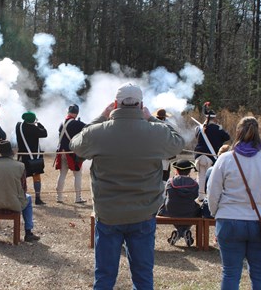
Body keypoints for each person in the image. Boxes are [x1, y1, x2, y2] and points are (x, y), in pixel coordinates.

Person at [70, 82, 185, 289]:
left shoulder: (99, 131)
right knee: (142, 277)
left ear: (115, 104)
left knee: (104, 277)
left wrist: (102, 116)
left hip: (108, 214)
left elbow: (76, 143)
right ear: (141, 105)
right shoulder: (155, 131)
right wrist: (150, 118)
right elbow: (178, 142)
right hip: (143, 213)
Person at [207, 116, 261, 290]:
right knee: (260, 273)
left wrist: (216, 213)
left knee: (230, 273)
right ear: (258, 132)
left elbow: (212, 191)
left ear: (237, 132)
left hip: (229, 219)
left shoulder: (225, 159)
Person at [0, 140, 40, 242]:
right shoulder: (20, 166)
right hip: (14, 203)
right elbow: (23, 188)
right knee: (29, 198)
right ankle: (28, 232)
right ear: (10, 153)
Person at [159, 160, 200, 247]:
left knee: (171, 206)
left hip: (171, 211)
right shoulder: (194, 184)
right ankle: (184, 231)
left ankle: (180, 232)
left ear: (176, 170)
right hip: (189, 211)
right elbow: (195, 196)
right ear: (189, 171)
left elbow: (167, 194)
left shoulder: (170, 182)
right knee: (196, 210)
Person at [194, 103, 230, 201]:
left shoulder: (199, 128)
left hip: (199, 156)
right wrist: (221, 130)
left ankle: (201, 196)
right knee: (211, 177)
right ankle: (209, 196)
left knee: (201, 176)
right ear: (214, 119)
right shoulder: (217, 128)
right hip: (210, 156)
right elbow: (227, 137)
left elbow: (196, 136)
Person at [54, 104, 87, 203]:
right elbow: (88, 130)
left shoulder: (61, 123)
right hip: (72, 152)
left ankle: (59, 197)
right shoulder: (77, 124)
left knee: (62, 174)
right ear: (76, 113)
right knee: (77, 175)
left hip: (62, 151)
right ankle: (78, 198)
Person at [16, 111, 48, 205]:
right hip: (33, 156)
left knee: (22, 177)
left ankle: (21, 197)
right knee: (36, 176)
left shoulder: (18, 126)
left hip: (23, 155)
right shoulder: (34, 128)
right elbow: (45, 133)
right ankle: (37, 198)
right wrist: (39, 123)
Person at [200, 144, 231, 218]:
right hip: (228, 208)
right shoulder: (233, 170)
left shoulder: (210, 170)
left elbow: (207, 190)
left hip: (211, 208)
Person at [153, 108, 173, 184]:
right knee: (164, 175)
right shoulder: (169, 125)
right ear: (164, 117)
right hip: (165, 153)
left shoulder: (151, 124)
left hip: (154, 153)